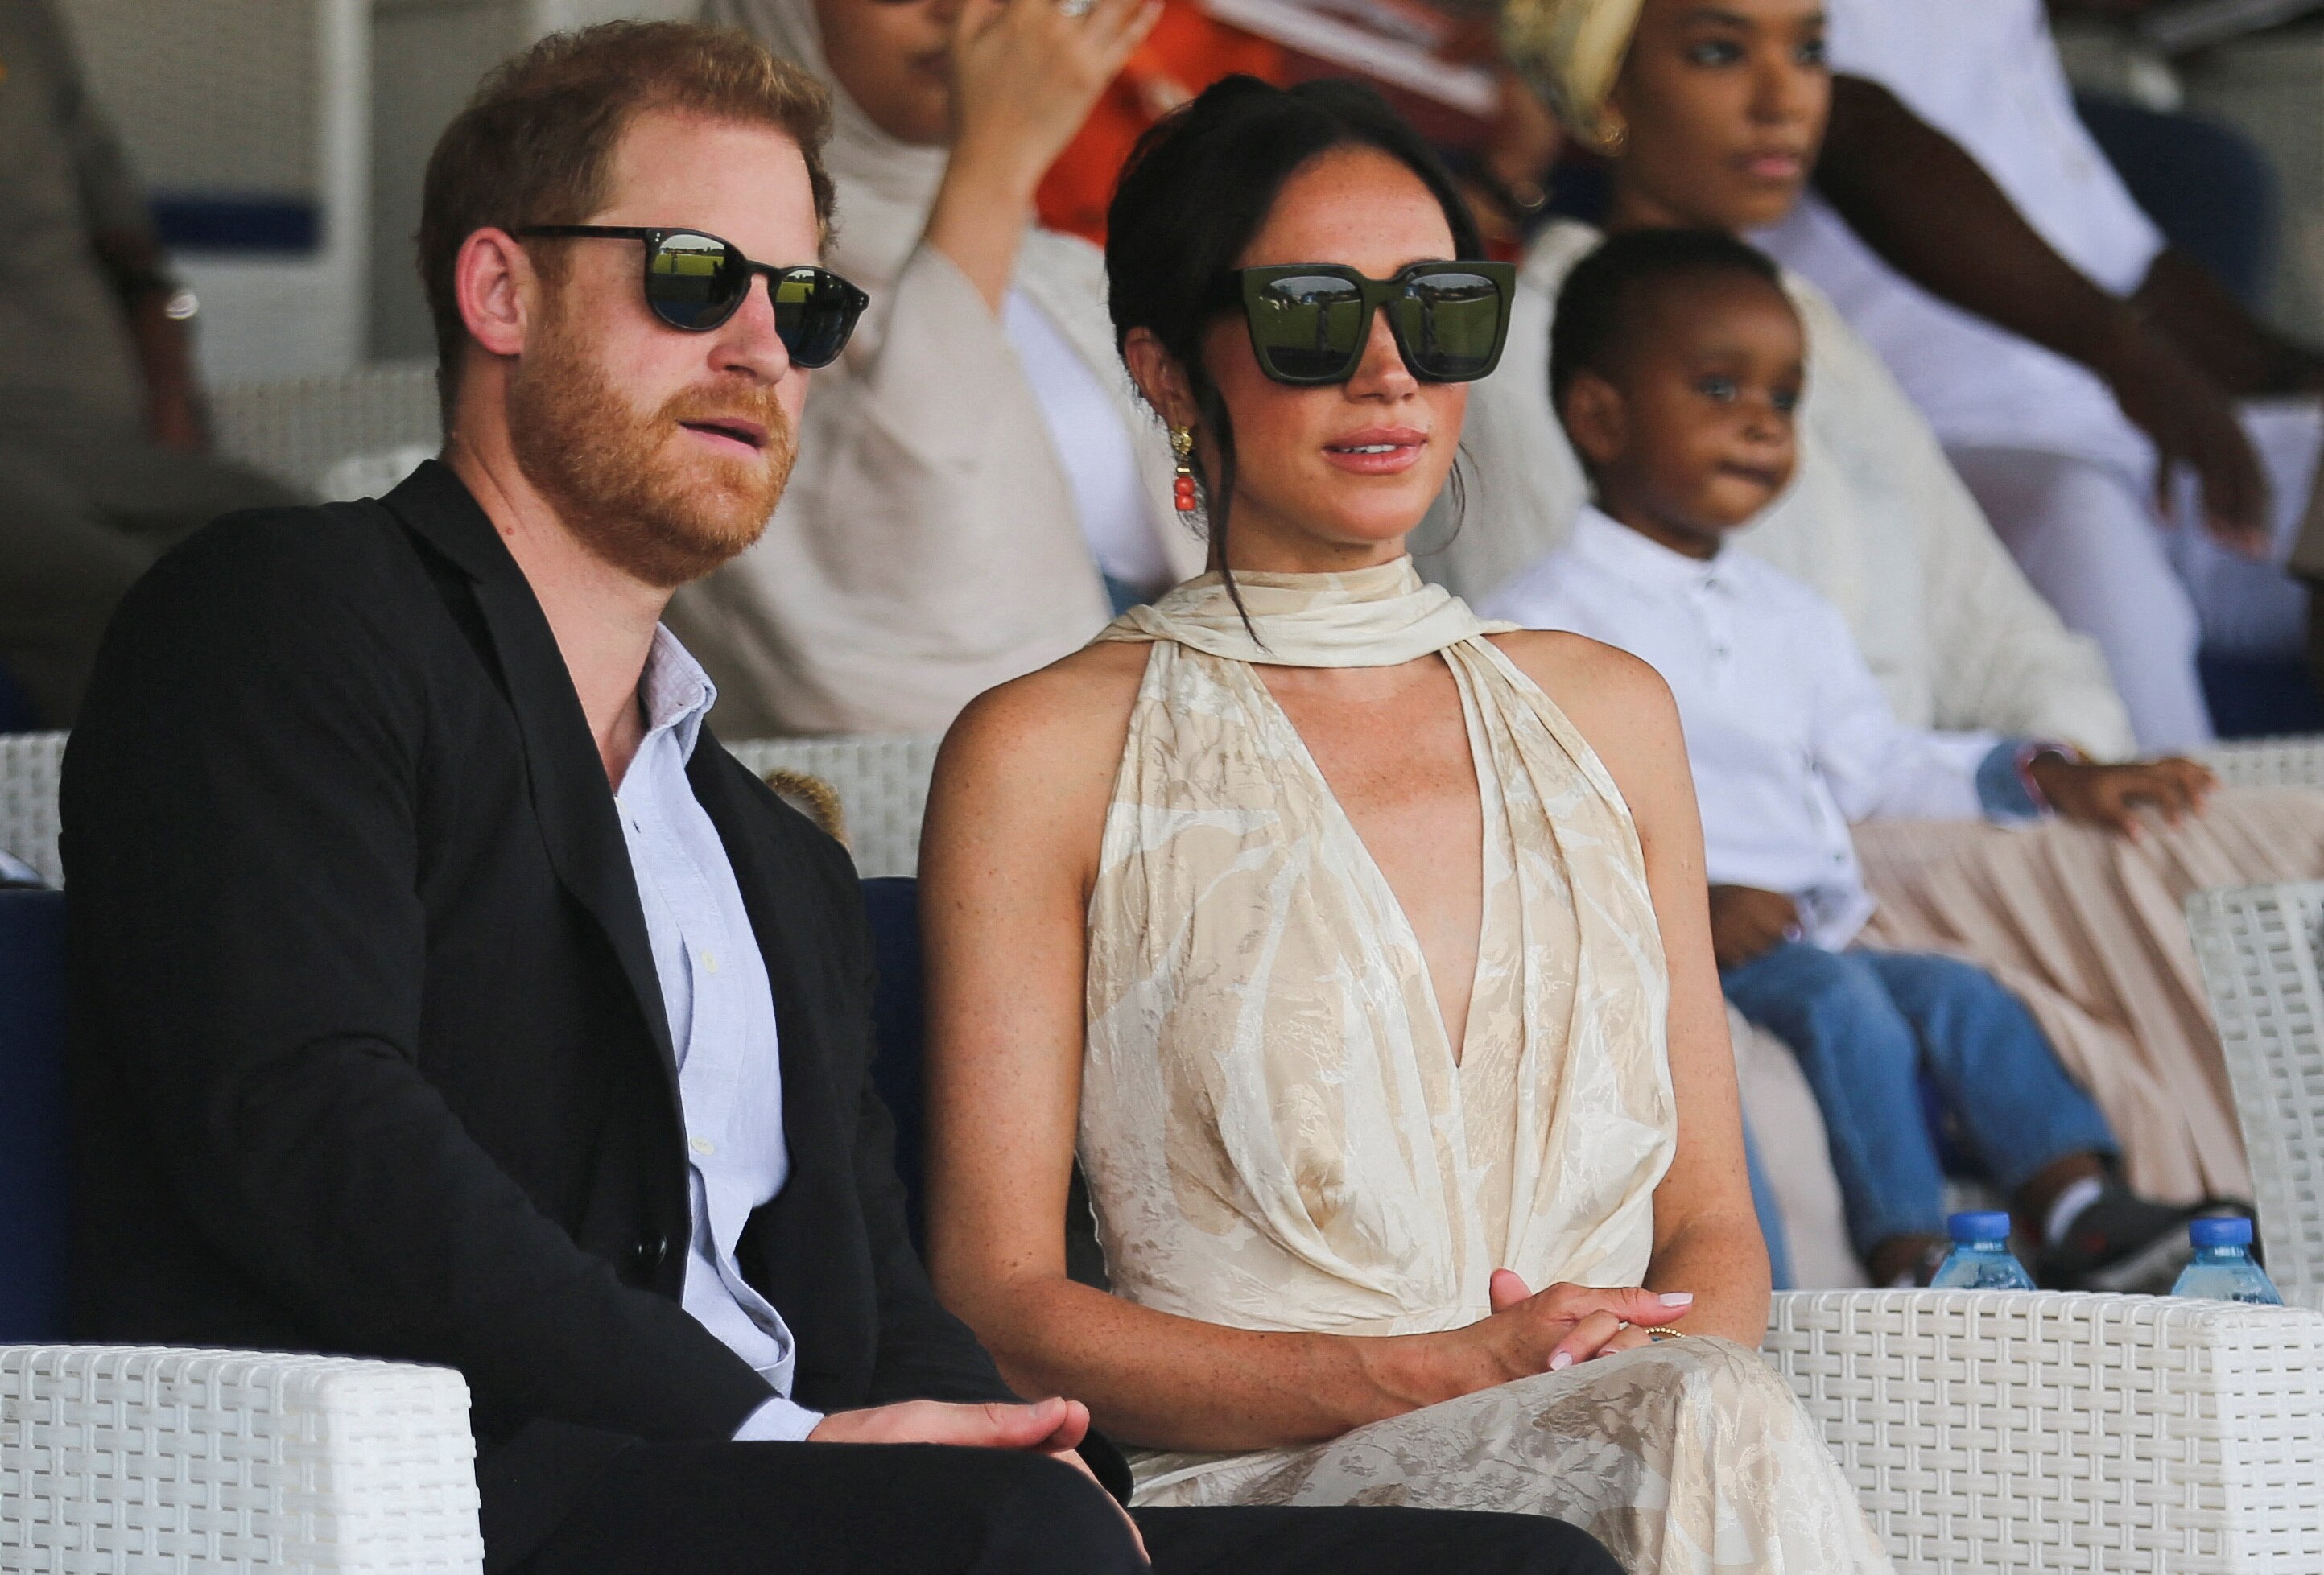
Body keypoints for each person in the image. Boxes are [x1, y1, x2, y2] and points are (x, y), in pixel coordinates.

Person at [59, 27, 1620, 1575]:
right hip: (447, 1493)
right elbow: (315, 1128)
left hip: (821, 1502)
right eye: (691, 277)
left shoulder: (766, 851)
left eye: (800, 304)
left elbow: (875, 1292)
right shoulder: (285, 615)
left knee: (1514, 1565)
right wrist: (785, 1439)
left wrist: (1018, 1453)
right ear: (499, 289)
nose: (758, 345)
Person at [917, 76, 1894, 1573]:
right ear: (1169, 369)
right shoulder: (1042, 751)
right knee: (1704, 1418)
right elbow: (996, 1298)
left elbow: (1709, 1217)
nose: (1387, 371)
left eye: (1438, 312)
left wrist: (1609, 1386)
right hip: (1271, 1506)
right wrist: (1435, 1373)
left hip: (1661, 1445)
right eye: (1313, 313)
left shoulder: (1609, 714)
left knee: (1705, 1407)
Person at [1472, 0, 2324, 1206]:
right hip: (1802, 877)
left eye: (1809, 53)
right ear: (1608, 89)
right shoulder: (1534, 350)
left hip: (1941, 800)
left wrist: (2069, 767)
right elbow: (1569, 706)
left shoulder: (1809, 329)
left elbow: (1994, 615)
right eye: (1719, 52)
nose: (1782, 99)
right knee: (2277, 862)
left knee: (2260, 833)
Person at [1482, 229, 2210, 1290]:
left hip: (1813, 926)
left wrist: (2042, 774)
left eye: (1781, 398)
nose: (1759, 423)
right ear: (1599, 416)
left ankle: (2081, 1212)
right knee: (1843, 1008)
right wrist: (1689, 899)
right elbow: (1533, 826)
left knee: (1961, 996)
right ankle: (1908, 1257)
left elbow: (1874, 765)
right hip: (1686, 950)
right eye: (1718, 386)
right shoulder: (1537, 626)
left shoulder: (1789, 616)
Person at [1752, 0, 2324, 748]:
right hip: (1930, 440)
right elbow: (1853, 132)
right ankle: (2190, 851)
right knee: (2081, 515)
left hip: (2118, 422)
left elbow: (2119, 261)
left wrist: (2293, 371)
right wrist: (2128, 356)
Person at [674, 0, 1206, 739]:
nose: (955, 11)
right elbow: (891, 618)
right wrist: (995, 159)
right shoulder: (710, 285)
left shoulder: (1060, 273)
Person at [0, 0, 298, 728]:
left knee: (299, 541)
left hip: (72, 406)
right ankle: (158, 827)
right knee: (108, 586)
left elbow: (118, 219)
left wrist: (169, 386)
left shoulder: (23, 22)